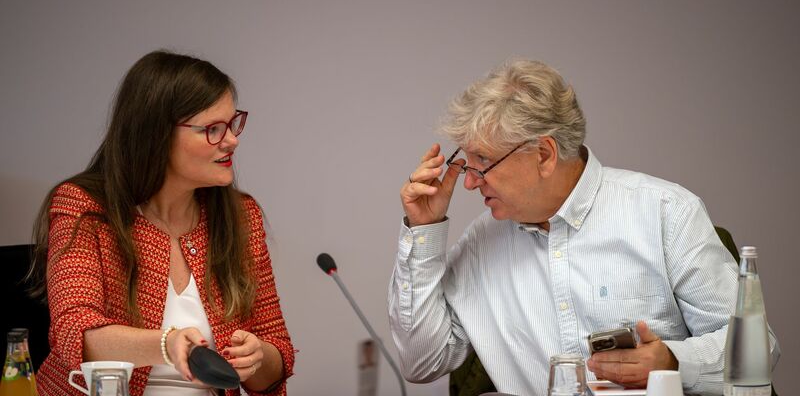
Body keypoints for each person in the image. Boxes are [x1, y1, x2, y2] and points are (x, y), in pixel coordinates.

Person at [388, 59, 780, 395]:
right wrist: (425, 230)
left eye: (482, 162)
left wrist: (673, 360)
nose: (469, 182)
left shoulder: (665, 212)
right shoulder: (481, 243)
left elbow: (759, 349)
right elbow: (421, 363)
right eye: (465, 163)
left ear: (543, 154)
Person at [27, 51, 294, 396]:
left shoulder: (242, 217)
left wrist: (258, 357)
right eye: (212, 129)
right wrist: (168, 344)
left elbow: (277, 355)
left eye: (232, 124)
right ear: (157, 135)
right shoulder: (84, 206)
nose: (232, 141)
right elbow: (73, 331)